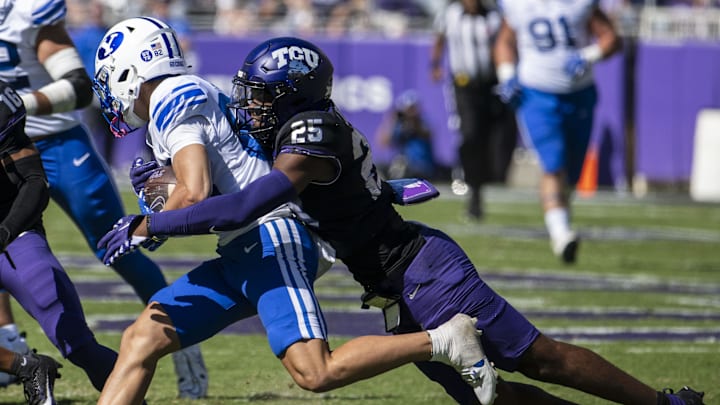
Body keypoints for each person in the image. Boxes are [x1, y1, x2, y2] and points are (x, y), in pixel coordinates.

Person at [107, 36, 706, 405]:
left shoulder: (310, 135)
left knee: (536, 356)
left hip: (422, 269)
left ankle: (659, 402)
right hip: (393, 281)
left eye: (262, 97)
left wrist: (151, 225)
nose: (249, 107)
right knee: (488, 398)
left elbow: (245, 204)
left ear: (294, 97)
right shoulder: (302, 131)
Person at [92, 19, 495, 405]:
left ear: (130, 72)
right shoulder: (184, 95)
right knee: (142, 338)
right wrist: (159, 213)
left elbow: (194, 193)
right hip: (242, 249)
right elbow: (202, 186)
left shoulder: (169, 98)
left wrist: (148, 223)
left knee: (314, 371)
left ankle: (443, 341)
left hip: (270, 238)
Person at [0, 0, 208, 398]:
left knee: (117, 244)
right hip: (2, 153)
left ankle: (185, 341)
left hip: (56, 143)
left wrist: (14, 106)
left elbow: (79, 88)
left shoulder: (27, 10)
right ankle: (12, 347)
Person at [0, 78, 119, 400]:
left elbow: (35, 183)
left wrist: (6, 230)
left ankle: (132, 396)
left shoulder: (5, 114)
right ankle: (26, 366)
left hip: (13, 241)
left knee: (76, 343)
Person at [492, 0, 622, 263]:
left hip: (579, 95)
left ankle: (560, 218)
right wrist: (506, 75)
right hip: (536, 96)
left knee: (571, 173)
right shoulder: (518, 5)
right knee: (553, 165)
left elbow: (611, 38)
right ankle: (561, 235)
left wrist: (589, 55)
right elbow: (504, 41)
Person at [430, 0, 517, 221]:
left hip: (492, 85)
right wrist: (435, 64)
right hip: (464, 86)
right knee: (470, 135)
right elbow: (439, 37)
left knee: (496, 139)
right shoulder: (450, 14)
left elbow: (505, 43)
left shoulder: (494, 16)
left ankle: (487, 179)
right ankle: (475, 192)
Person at [377, 90, 437, 180]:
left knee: (403, 169)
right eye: (408, 109)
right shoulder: (400, 125)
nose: (410, 112)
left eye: (412, 109)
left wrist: (413, 120)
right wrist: (392, 121)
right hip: (403, 164)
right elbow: (384, 142)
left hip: (422, 167)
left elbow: (427, 134)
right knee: (379, 167)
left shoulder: (423, 122)